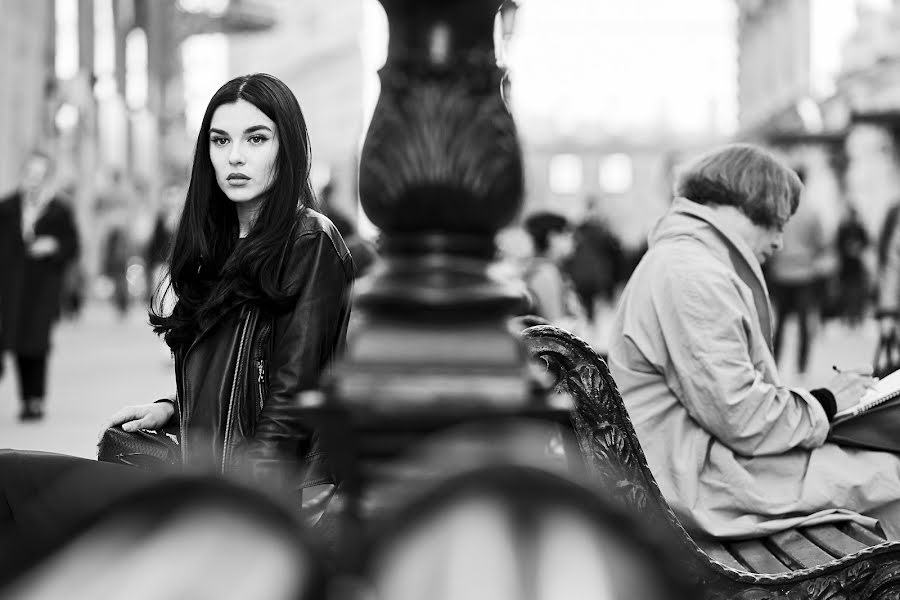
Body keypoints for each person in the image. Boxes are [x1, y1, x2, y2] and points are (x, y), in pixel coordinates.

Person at [607, 143, 900, 539]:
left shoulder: (684, 261)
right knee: (889, 474)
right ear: (749, 206)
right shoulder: (693, 274)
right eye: (778, 223)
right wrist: (827, 402)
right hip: (701, 482)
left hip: (695, 466)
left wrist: (821, 404)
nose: (780, 241)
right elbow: (739, 416)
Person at [100, 73, 354, 487]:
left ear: (285, 148)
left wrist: (243, 508)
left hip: (267, 496)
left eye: (256, 139)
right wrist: (175, 407)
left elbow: (290, 399)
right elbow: (238, 376)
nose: (235, 156)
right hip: (208, 479)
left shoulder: (308, 240)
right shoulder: (211, 246)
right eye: (221, 141)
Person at [0, 150, 80, 421]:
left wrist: (53, 246)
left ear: (48, 177)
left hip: (44, 286)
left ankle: (37, 399)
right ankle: (25, 399)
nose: (34, 181)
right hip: (13, 286)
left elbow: (73, 245)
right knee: (19, 341)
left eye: (40, 175)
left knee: (38, 341)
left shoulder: (58, 209)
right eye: (30, 174)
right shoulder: (8, 207)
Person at [765, 169, 829, 374]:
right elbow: (820, 243)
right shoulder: (811, 211)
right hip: (804, 273)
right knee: (803, 323)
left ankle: (775, 363)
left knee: (779, 323)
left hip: (780, 273)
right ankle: (802, 366)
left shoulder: (778, 210)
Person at [521, 211, 578, 326]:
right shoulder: (546, 272)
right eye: (568, 235)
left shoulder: (535, 266)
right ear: (552, 237)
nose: (574, 242)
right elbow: (555, 325)